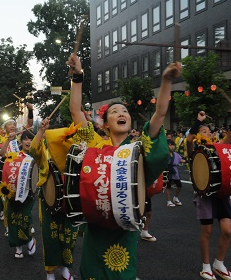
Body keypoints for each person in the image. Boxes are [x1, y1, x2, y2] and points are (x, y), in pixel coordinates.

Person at [67, 53, 180, 279]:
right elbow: (76, 111)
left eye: (125, 111)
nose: (122, 114)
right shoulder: (95, 145)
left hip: (123, 231)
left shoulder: (138, 150)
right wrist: (78, 76)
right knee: (92, 272)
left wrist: (166, 81)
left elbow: (159, 114)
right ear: (105, 123)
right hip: (96, 229)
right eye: (115, 112)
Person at [186, 105, 231, 280]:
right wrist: (198, 122)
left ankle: (219, 263)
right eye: (204, 130)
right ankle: (206, 266)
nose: (207, 132)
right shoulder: (195, 150)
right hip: (205, 194)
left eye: (209, 130)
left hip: (221, 192)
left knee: (227, 231)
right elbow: (188, 139)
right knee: (207, 231)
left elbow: (230, 136)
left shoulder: (218, 147)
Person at [30, 117, 78, 280]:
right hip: (48, 199)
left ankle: (65, 267)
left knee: (69, 235)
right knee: (50, 236)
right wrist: (41, 131)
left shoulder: (74, 148)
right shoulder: (44, 150)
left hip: (71, 198)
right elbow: (33, 150)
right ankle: (50, 272)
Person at [0, 130, 36, 259]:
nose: (28, 142)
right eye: (25, 139)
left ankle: (29, 239)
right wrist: (8, 140)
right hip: (13, 191)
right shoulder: (14, 154)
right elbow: (2, 153)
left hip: (28, 193)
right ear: (21, 141)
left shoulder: (37, 154)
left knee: (24, 217)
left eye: (31, 139)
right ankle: (18, 247)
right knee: (12, 218)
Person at [165, 139, 185, 207]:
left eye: (173, 145)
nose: (172, 147)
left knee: (179, 186)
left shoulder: (175, 154)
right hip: (168, 170)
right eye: (170, 145)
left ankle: (175, 198)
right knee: (168, 186)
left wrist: (188, 161)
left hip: (174, 171)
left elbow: (181, 160)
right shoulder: (165, 154)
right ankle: (168, 201)